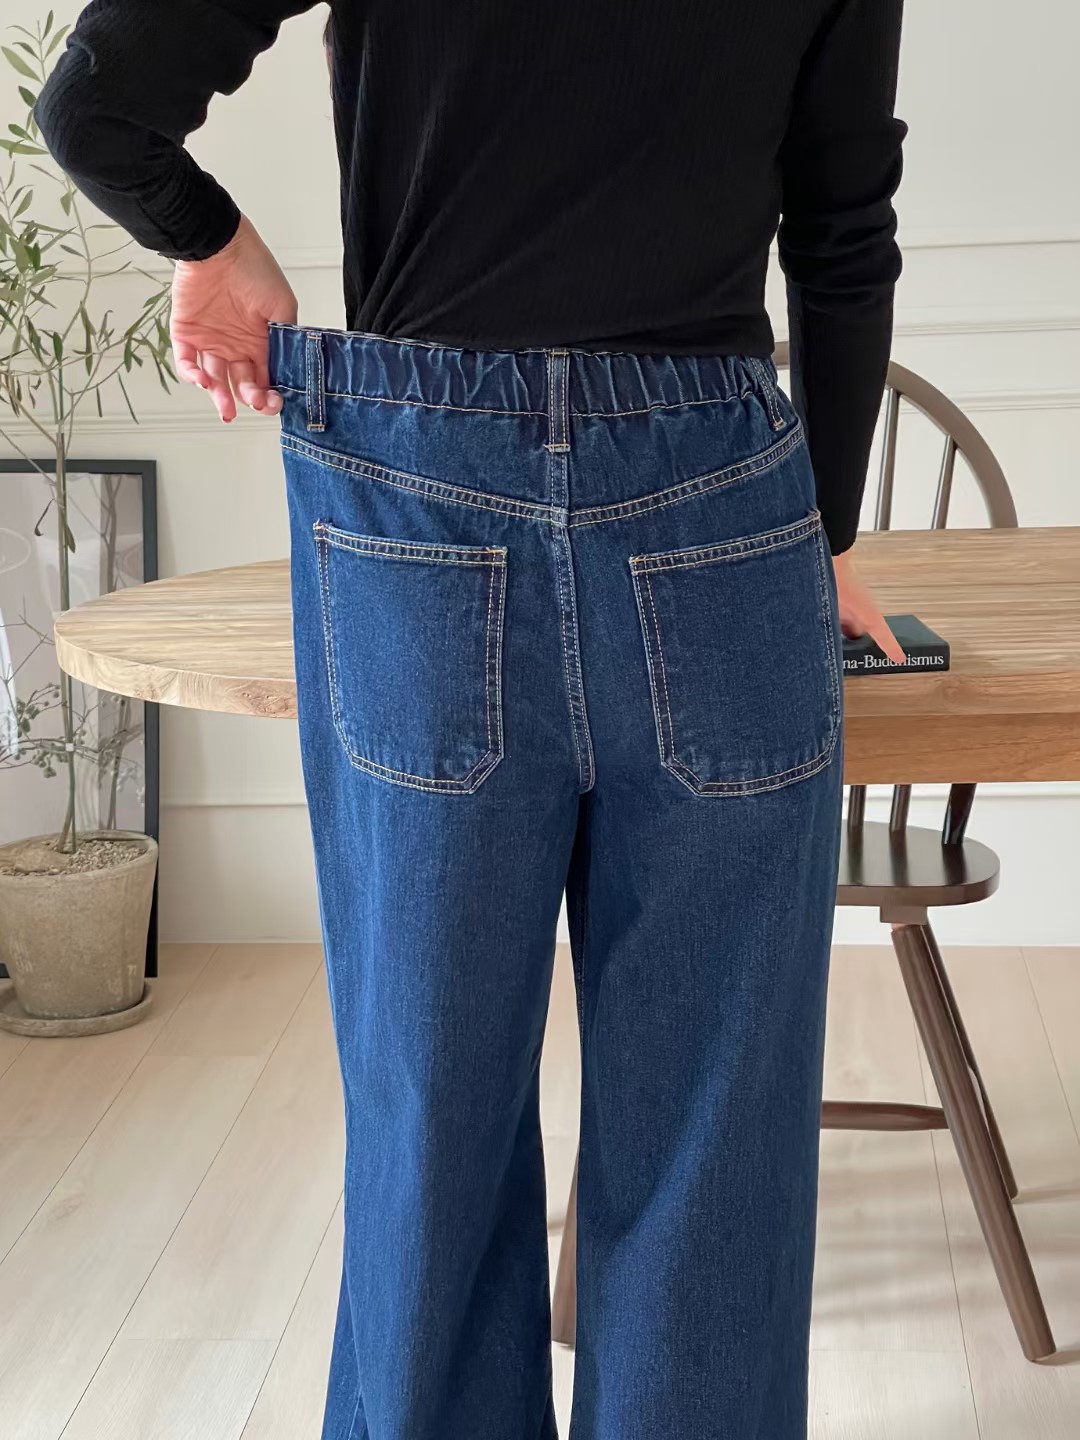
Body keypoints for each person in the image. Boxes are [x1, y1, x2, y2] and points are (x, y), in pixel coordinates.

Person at [36, 3, 907, 1437]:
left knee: (428, 1118)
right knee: (715, 1131)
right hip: (717, 506)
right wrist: (820, 530)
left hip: (424, 506)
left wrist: (211, 243)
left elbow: (95, 106)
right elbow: (844, 227)